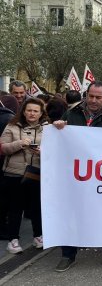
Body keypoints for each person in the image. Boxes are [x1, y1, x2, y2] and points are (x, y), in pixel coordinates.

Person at [52, 82, 102, 272]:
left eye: (98, 97)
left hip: (101, 175)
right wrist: (58, 128)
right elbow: (60, 139)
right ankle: (68, 254)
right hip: (75, 175)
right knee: (72, 213)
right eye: (91, 96)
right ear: (86, 95)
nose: (93, 100)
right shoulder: (72, 114)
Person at [1, 98, 47, 254]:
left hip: (36, 172)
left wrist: (43, 152)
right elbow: (3, 148)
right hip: (14, 174)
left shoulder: (47, 129)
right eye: (29, 110)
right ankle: (13, 240)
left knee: (36, 207)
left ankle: (38, 236)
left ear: (41, 113)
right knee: (15, 208)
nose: (32, 113)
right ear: (23, 111)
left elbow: (57, 151)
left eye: (35, 111)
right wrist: (20, 143)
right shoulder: (12, 126)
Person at [0, 95, 18, 240]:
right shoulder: (10, 121)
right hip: (9, 169)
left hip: (12, 170)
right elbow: (4, 147)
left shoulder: (9, 119)